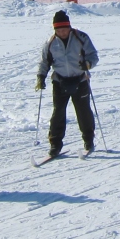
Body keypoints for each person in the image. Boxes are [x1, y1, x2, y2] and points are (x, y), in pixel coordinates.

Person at [35, 10, 98, 157]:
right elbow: (44, 62)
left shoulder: (81, 37)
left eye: (64, 29)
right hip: (60, 81)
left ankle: (88, 140)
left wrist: (88, 64)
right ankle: (55, 144)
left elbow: (93, 55)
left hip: (80, 79)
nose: (62, 33)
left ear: (69, 27)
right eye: (58, 30)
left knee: (83, 112)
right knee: (58, 113)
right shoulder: (50, 43)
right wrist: (41, 76)